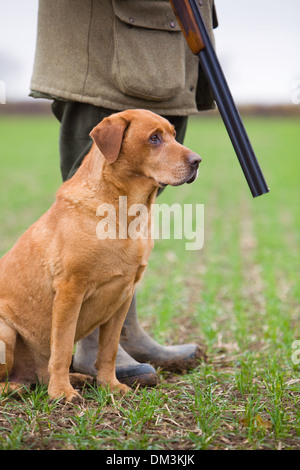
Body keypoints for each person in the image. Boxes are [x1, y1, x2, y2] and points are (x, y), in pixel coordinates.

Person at [30, 0, 218, 387]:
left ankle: (123, 338)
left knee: (128, 214)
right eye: (156, 139)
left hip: (173, 48)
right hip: (105, 48)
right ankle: (83, 348)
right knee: (94, 202)